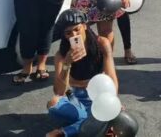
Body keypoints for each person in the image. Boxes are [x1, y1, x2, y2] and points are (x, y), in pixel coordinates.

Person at [46, 9, 118, 137]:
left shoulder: (102, 44)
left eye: (77, 29)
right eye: (68, 33)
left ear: (85, 26)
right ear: (64, 35)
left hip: (96, 96)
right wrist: (67, 63)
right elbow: (59, 91)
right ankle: (97, 123)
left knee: (108, 111)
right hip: (74, 96)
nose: (73, 35)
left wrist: (113, 100)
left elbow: (112, 78)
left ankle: (65, 132)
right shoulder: (61, 54)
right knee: (53, 103)